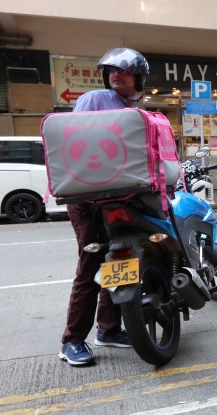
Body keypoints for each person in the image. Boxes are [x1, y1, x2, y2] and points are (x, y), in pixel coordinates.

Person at [59, 47, 150, 366]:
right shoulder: (95, 99)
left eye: (123, 71)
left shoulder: (136, 108)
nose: (115, 75)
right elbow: (79, 143)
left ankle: (109, 330)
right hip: (87, 199)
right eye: (111, 70)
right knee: (91, 264)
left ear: (139, 79)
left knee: (119, 260)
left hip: (119, 196)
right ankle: (71, 340)